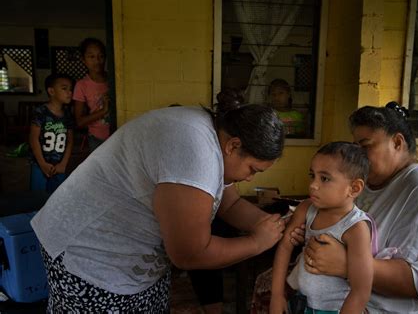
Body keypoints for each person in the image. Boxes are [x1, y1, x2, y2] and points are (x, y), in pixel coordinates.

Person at [30, 89, 287, 312]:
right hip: (89, 252)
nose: (250, 178)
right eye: (253, 169)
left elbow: (228, 204)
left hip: (129, 254)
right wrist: (255, 243)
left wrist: (271, 224)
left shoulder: (215, 135)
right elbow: (190, 254)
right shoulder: (196, 154)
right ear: (234, 145)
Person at [252, 102, 418, 314]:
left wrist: (345, 264)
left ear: (397, 143)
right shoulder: (371, 182)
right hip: (330, 291)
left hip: (379, 308)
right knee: (268, 286)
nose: (357, 156)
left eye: (365, 146)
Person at [271, 141, 374, 314]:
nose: (313, 185)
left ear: (354, 188)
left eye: (324, 178)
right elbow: (285, 246)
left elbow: (360, 290)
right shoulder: (306, 209)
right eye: (313, 176)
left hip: (334, 309)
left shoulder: (356, 228)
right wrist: (276, 295)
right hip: (300, 301)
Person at [29, 73, 74, 194]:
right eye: (64, 88)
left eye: (71, 89)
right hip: (40, 165)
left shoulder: (68, 114)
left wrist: (63, 164)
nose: (69, 92)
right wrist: (42, 164)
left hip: (59, 166)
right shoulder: (40, 112)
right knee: (37, 198)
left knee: (57, 197)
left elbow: (70, 141)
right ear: (51, 91)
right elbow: (34, 139)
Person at [73, 37, 110, 152]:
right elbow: (79, 121)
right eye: (91, 56)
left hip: (118, 134)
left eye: (101, 56)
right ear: (83, 60)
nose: (97, 61)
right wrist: (103, 111)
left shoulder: (114, 79)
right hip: (97, 138)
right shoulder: (82, 85)